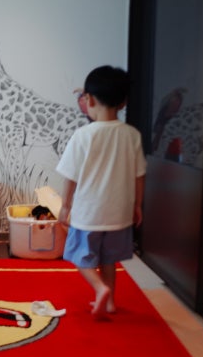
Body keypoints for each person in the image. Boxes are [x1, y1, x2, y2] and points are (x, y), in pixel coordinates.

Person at [56, 66, 146, 320]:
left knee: (78, 256)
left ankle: (99, 288)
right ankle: (110, 303)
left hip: (89, 214)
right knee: (109, 260)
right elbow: (139, 175)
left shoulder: (83, 135)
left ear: (90, 100)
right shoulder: (132, 135)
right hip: (119, 214)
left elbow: (71, 176)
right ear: (123, 102)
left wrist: (65, 206)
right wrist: (137, 205)